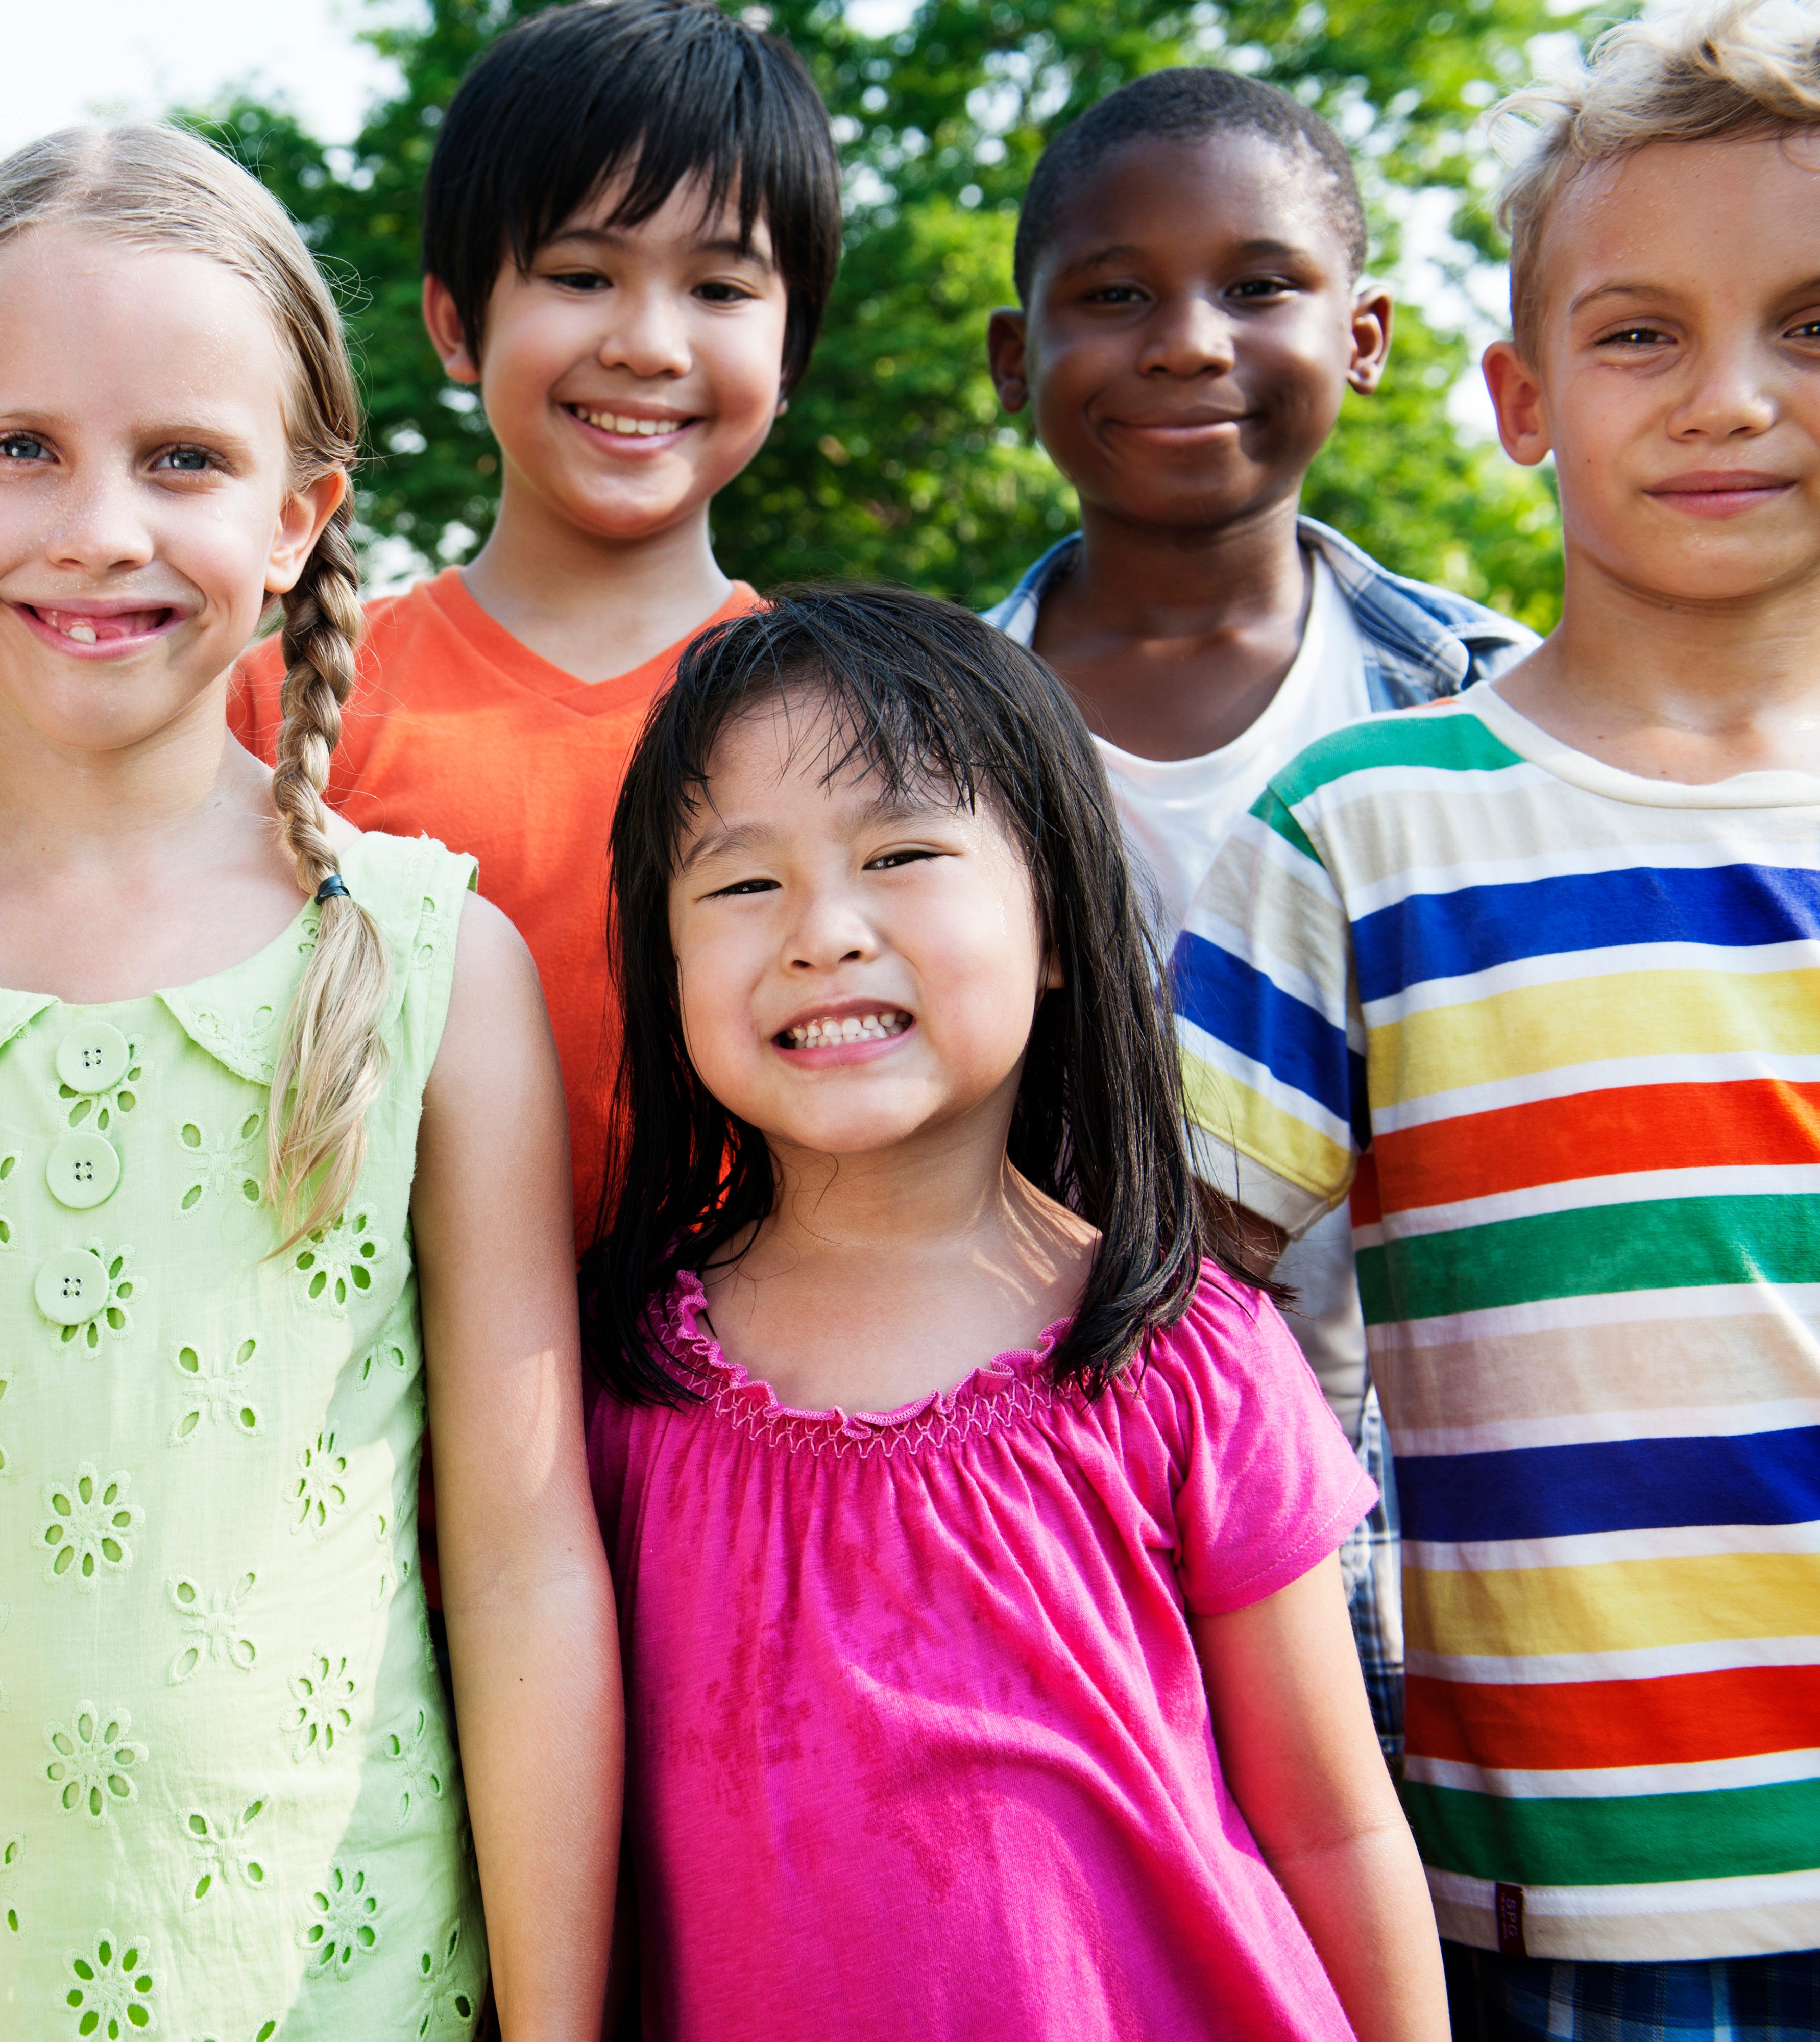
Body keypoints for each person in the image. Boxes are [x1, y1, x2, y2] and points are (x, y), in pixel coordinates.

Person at [0, 126, 622, 2041]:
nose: (101, 527)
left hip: (362, 1986)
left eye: (183, 458)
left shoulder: (436, 968)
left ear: (299, 514)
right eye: (23, 449)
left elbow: (521, 1568)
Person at [1173, 8, 1820, 2031]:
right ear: (1518, 399)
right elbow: (1166, 1341)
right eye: (1638, 333)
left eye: (1806, 324)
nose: (1725, 399)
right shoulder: (1353, 836)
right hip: (1544, 1903)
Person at [583, 587, 1443, 2041]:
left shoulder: (1185, 1353)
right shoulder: (615, 1386)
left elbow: (1332, 1832)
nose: (822, 934)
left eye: (902, 853)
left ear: (1054, 924)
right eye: (738, 885)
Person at [983, 65, 1542, 1755]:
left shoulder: (1491, 713)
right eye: (1111, 295)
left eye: (1256, 285)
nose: (1183, 341)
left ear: (1363, 336)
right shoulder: (918, 737)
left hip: (1427, 1549)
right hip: (1047, 1523)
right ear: (1016, 361)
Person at [227, 0, 840, 1246]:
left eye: (719, 286)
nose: (647, 342)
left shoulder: (852, 724)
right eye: (579, 274)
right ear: (455, 320)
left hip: (740, 1418)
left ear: (790, 353)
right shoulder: (282, 704)